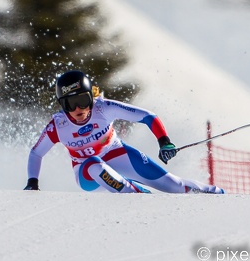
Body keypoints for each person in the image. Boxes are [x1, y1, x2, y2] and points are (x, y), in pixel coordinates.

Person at [23, 70, 224, 194]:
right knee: (94, 164)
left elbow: (148, 116)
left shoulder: (104, 108)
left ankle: (217, 193)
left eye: (83, 101)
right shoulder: (58, 126)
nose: (78, 110)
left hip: (118, 155)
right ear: (61, 105)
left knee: (174, 185)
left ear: (91, 98)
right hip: (87, 174)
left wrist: (164, 141)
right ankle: (136, 193)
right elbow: (36, 153)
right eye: (70, 104)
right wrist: (32, 182)